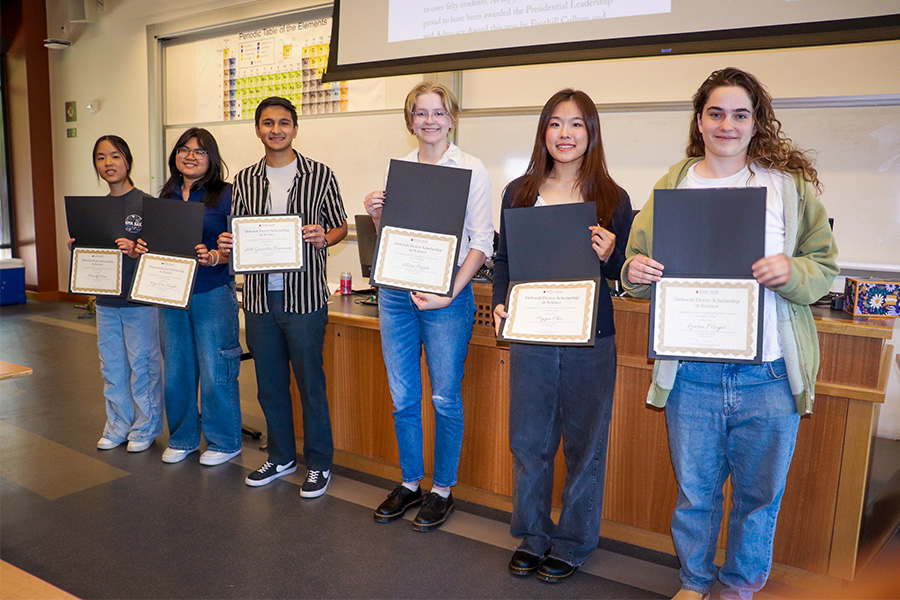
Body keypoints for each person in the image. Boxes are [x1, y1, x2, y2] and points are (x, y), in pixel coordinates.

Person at [621, 67, 838, 600]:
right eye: (716, 113)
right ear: (699, 120)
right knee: (695, 495)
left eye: (740, 114)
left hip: (768, 374)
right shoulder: (673, 185)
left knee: (759, 497)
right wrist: (635, 274)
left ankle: (739, 588)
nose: (727, 124)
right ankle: (694, 583)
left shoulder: (787, 187)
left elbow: (823, 266)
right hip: (691, 372)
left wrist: (792, 273)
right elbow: (635, 265)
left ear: (755, 122)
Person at [491, 89, 633, 582]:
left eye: (576, 124)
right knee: (529, 443)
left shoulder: (613, 198)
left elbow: (623, 277)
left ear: (590, 133)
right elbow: (505, 260)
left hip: (591, 340)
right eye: (555, 123)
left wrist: (613, 254)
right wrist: (499, 303)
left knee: (584, 446)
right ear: (543, 131)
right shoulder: (519, 193)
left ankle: (573, 541)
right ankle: (532, 536)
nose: (565, 134)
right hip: (532, 336)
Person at [364, 82, 493, 531]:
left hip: (446, 295)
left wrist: (451, 292)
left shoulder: (471, 168)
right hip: (396, 294)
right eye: (421, 113)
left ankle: (442, 490)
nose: (430, 121)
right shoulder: (399, 167)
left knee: (443, 397)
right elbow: (394, 240)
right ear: (410, 121)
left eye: (438, 112)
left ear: (452, 118)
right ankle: (410, 482)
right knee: (403, 398)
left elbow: (482, 243)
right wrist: (378, 215)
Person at [217, 97, 347, 497]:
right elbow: (237, 234)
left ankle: (319, 464)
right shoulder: (243, 180)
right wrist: (227, 243)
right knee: (270, 385)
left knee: (310, 384)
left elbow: (340, 225)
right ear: (257, 129)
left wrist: (325, 237)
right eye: (268, 123)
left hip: (304, 298)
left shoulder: (320, 174)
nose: (276, 129)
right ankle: (280, 456)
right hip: (257, 299)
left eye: (284, 123)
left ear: (295, 128)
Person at [155, 128, 243, 466]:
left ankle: (224, 441)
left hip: (212, 291)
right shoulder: (166, 197)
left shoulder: (228, 195)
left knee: (216, 366)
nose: (190, 156)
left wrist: (217, 257)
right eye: (184, 149)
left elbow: (237, 247)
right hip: (172, 293)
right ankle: (183, 437)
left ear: (212, 158)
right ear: (175, 156)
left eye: (200, 151)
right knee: (177, 370)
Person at [74, 135, 163, 453]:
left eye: (115, 156)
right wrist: (79, 248)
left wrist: (138, 251)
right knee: (111, 366)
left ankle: (146, 425)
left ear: (128, 161)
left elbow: (163, 256)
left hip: (138, 300)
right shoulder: (93, 209)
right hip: (107, 301)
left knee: (144, 365)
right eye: (101, 157)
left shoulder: (146, 204)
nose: (108, 163)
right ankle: (118, 424)